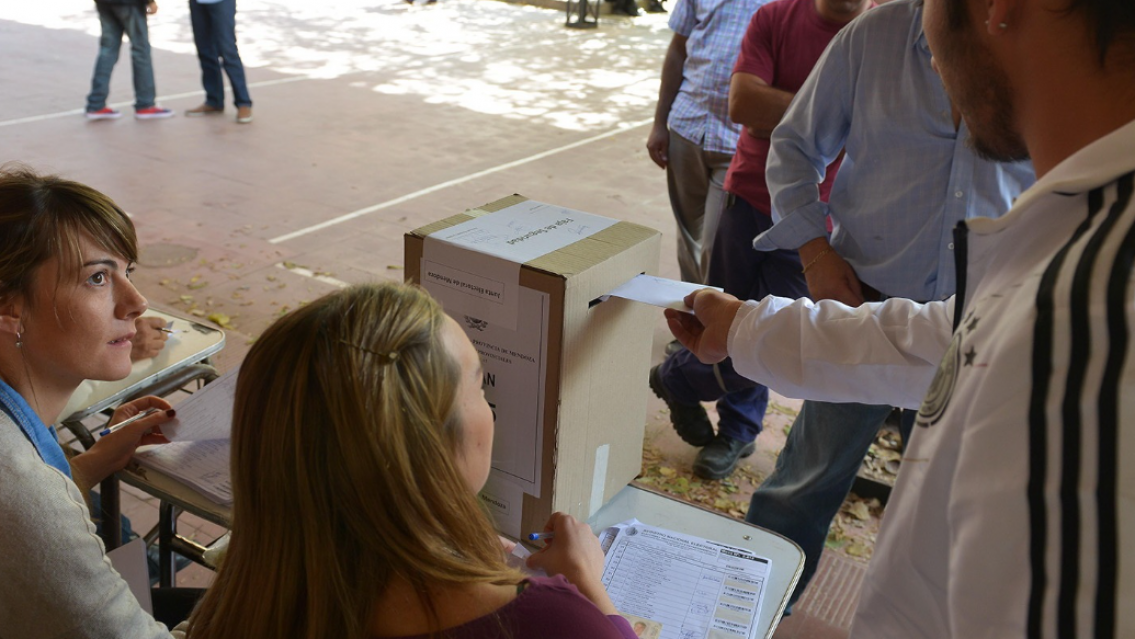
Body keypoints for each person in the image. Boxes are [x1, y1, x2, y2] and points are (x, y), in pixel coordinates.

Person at [665, 0, 1135, 631]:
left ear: (998, 10)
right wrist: (751, 327)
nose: (924, 39)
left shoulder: (1081, 304)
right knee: (812, 485)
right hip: (874, 296)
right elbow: (949, 340)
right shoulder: (1062, 257)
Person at [742, 0, 1033, 607]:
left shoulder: (1037, 44)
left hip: (984, 321)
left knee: (961, 503)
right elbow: (794, 145)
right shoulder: (874, 36)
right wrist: (815, 253)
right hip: (864, 307)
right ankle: (750, 610)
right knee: (804, 483)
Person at [186, 282, 636, 639]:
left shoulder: (240, 604)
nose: (490, 409)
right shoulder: (553, 621)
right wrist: (587, 585)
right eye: (480, 388)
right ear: (430, 448)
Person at [649, 0, 869, 481]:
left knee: (776, 332)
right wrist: (840, 114)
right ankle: (734, 427)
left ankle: (682, 384)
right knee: (722, 309)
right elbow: (744, 103)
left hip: (824, 218)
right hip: (747, 193)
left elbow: (883, 131)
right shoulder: (774, 17)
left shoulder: (881, 36)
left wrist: (787, 109)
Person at [0, 165, 192, 636]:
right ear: (9, 308)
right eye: (97, 279)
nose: (137, 301)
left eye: (125, 272)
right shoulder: (21, 489)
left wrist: (92, 462)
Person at [645, 0, 770, 284]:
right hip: (687, 126)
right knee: (689, 238)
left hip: (737, 142)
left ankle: (712, 317)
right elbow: (678, 49)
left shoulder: (783, 7)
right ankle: (691, 315)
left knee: (716, 245)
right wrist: (659, 123)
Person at [85, 0, 175, 120]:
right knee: (140, 50)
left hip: (104, 2)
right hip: (130, 4)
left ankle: (96, 104)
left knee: (108, 50)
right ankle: (145, 104)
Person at [184, 0, 253, 124]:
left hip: (221, 3)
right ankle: (214, 101)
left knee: (228, 52)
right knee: (205, 52)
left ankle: (243, 103)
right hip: (197, 4)